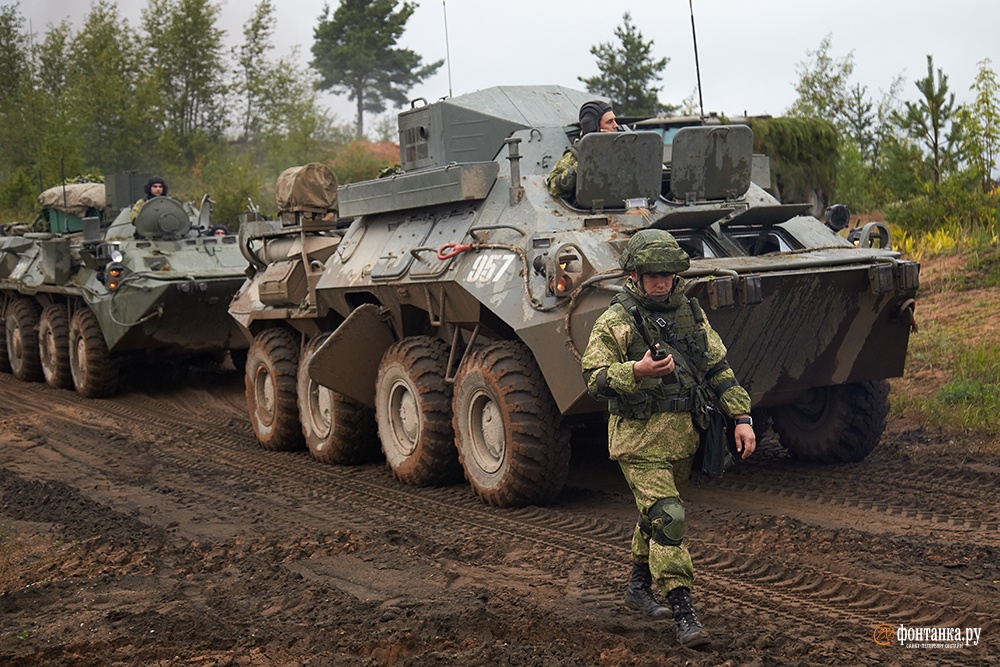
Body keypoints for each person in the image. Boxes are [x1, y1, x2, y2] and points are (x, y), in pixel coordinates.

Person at [580, 229, 756, 648]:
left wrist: (741, 417)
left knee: (654, 516)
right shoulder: (617, 320)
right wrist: (636, 372)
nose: (660, 282)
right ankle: (683, 612)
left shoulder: (691, 314)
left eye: (667, 274)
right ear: (636, 275)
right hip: (638, 442)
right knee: (669, 517)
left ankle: (638, 587)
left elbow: (719, 369)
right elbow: (594, 379)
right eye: (651, 274)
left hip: (682, 440)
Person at [546, 100, 619, 198]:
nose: (616, 125)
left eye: (614, 120)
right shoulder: (577, 153)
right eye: (609, 122)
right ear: (594, 127)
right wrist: (584, 163)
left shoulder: (624, 146)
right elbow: (553, 187)